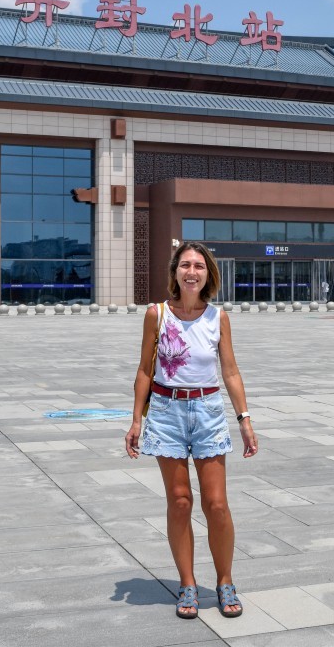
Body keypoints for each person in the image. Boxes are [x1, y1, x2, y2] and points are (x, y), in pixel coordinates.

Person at [125, 241, 258, 620]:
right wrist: (136, 420)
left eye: (199, 265)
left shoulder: (218, 318)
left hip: (208, 409)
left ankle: (225, 580)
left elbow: (230, 371)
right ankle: (186, 584)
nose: (192, 271)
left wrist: (244, 418)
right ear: (175, 272)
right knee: (180, 501)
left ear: (208, 274)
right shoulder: (157, 314)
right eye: (185, 264)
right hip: (166, 411)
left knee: (216, 504)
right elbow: (144, 371)